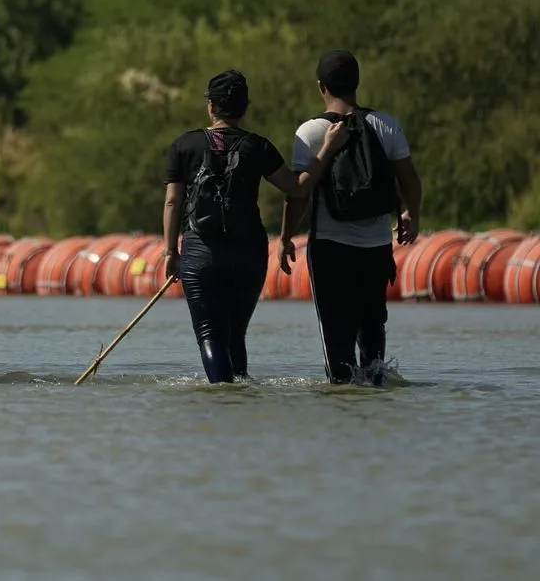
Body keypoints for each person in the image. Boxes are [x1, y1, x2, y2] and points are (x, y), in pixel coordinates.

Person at [163, 69, 348, 384]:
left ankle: (222, 395)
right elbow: (297, 187)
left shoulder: (184, 145)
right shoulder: (257, 147)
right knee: (236, 334)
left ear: (211, 106)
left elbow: (172, 202)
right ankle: (240, 395)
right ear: (244, 108)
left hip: (200, 251)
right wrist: (327, 148)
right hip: (249, 252)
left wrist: (170, 251)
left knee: (211, 334)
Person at [279, 50, 422, 386]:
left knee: (336, 343)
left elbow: (299, 194)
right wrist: (410, 215)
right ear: (356, 83)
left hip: (331, 248)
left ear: (321, 86)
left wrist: (285, 237)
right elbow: (410, 179)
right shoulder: (385, 125)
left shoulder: (312, 132)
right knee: (373, 335)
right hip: (375, 247)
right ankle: (375, 399)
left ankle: (344, 410)